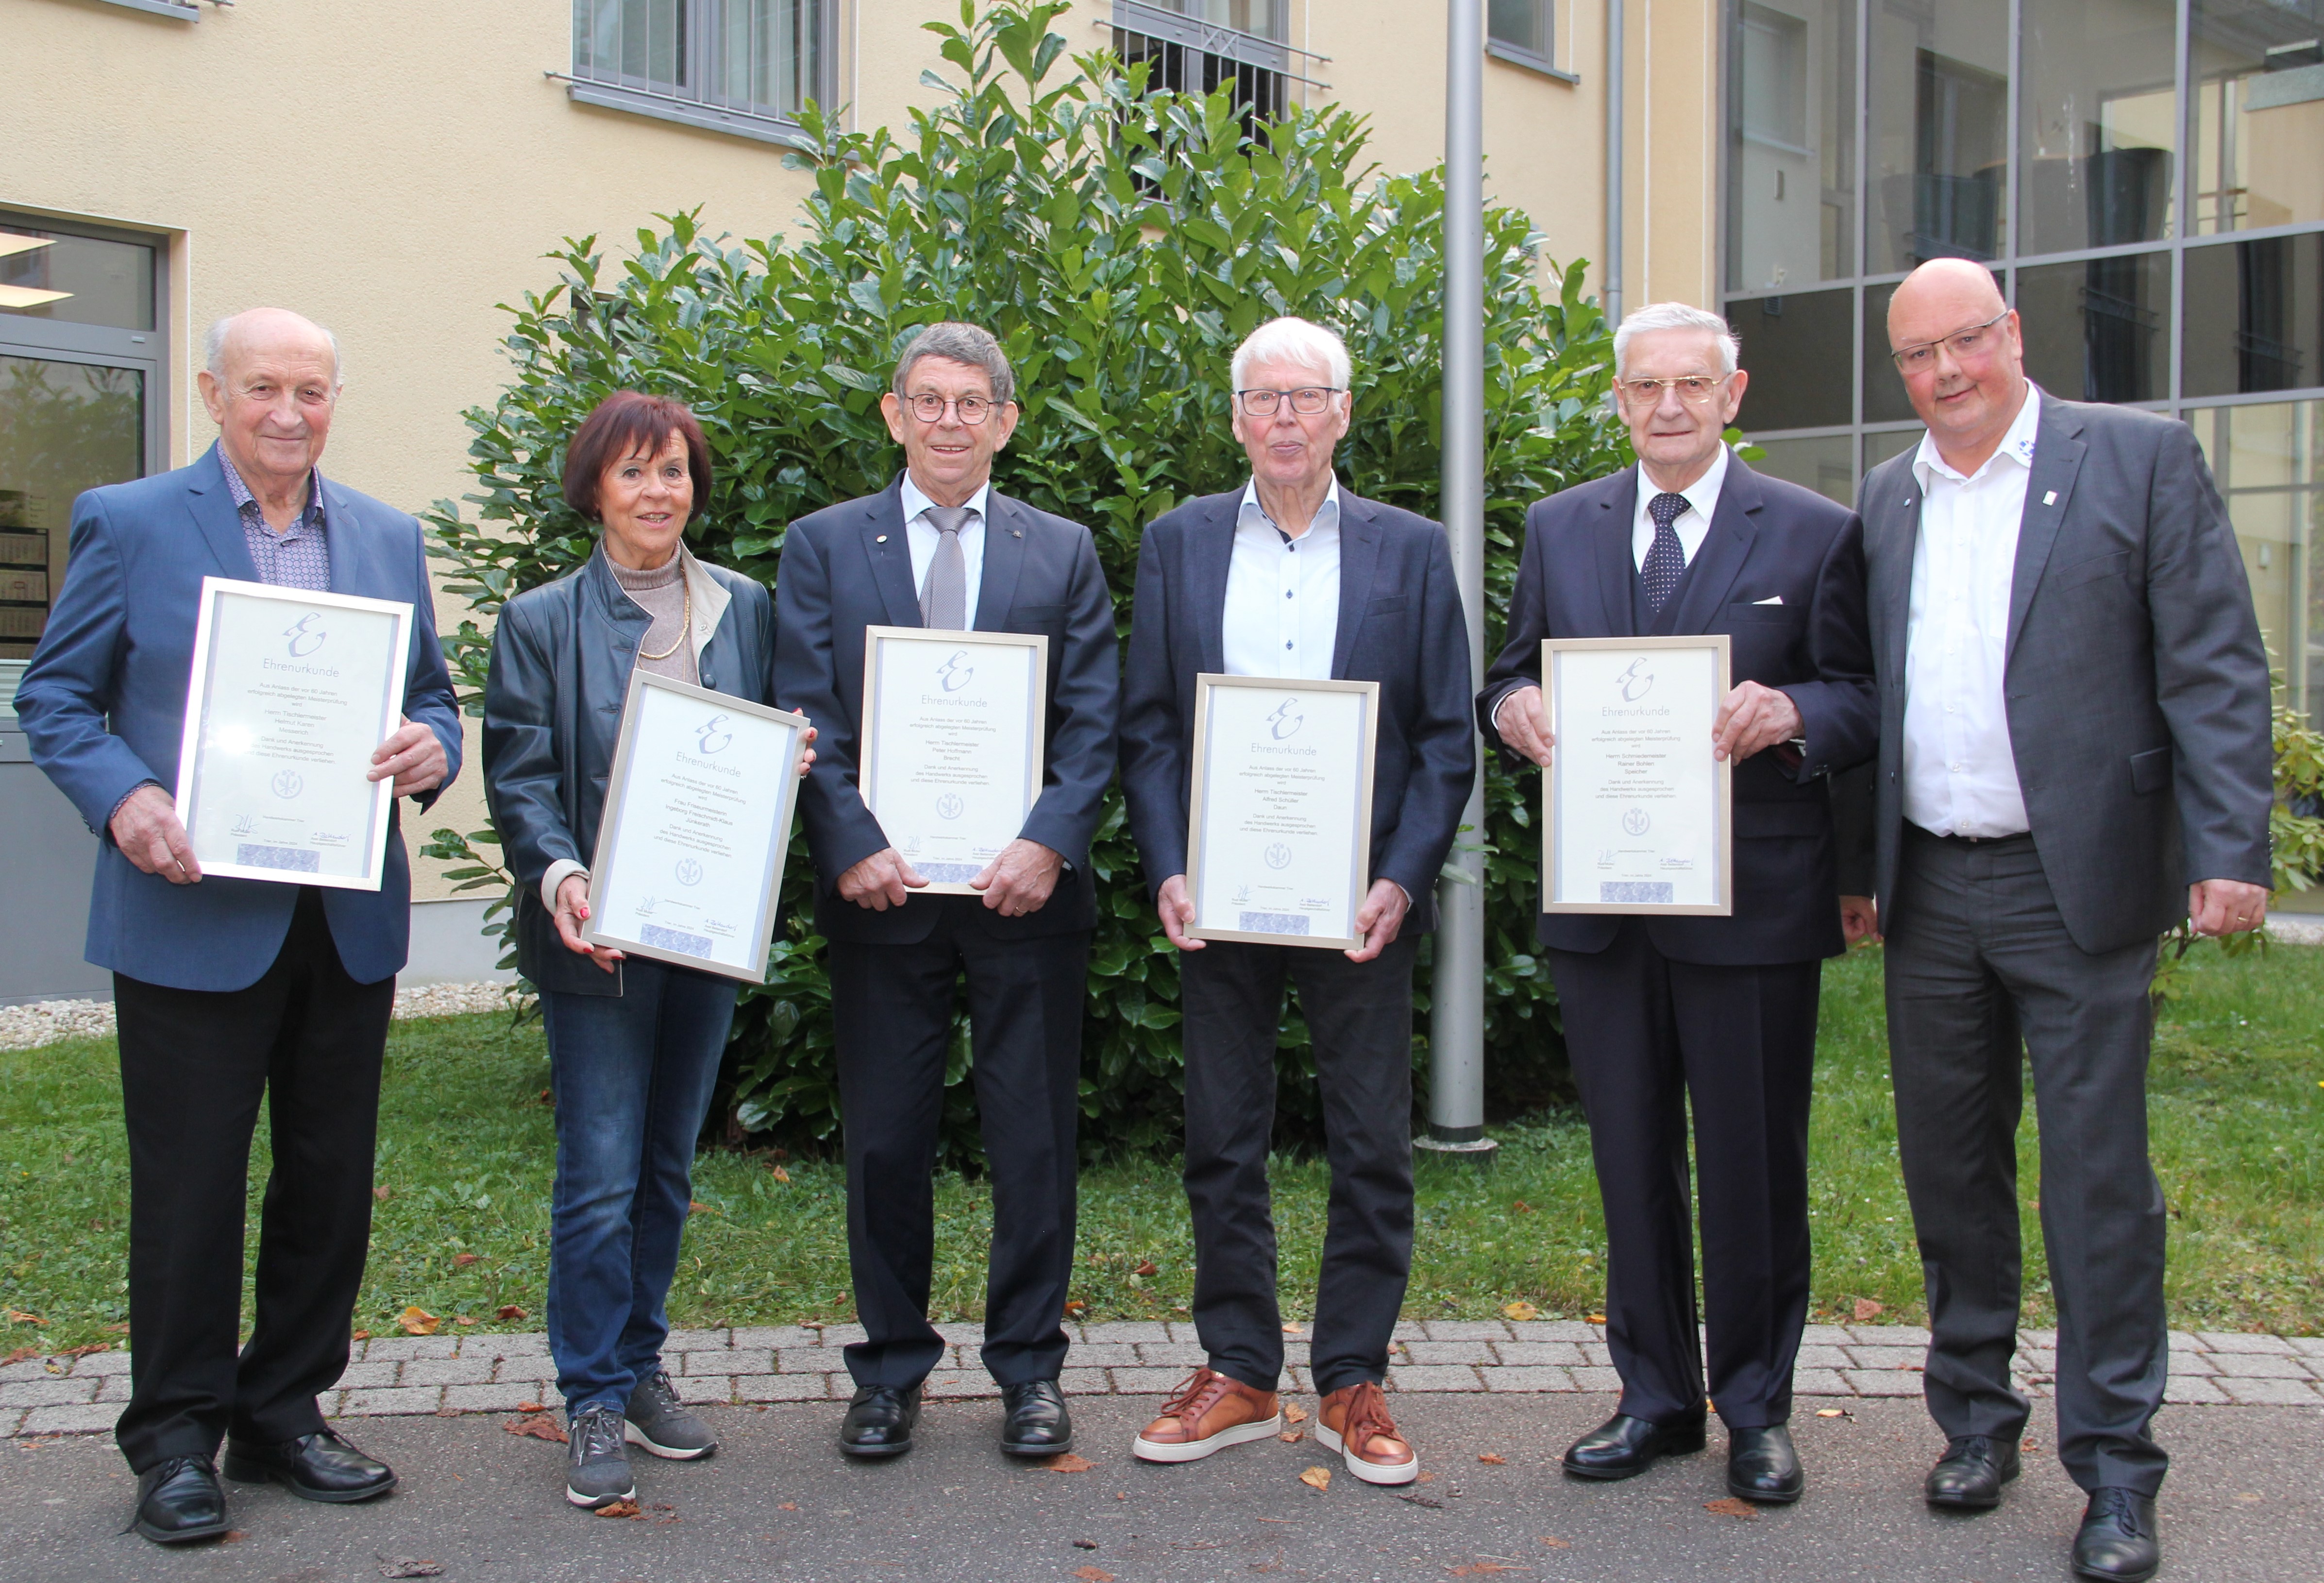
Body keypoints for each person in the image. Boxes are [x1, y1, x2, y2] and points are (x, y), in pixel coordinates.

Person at [1835, 259, 2273, 1583]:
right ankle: (1975, 1420)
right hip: (1931, 885)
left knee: (2095, 1184)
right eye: (1917, 355)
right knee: (1949, 1173)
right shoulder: (1887, 496)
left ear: (2011, 333)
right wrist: (1863, 868)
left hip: (2076, 879)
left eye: (1964, 341)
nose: (1944, 372)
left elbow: (2212, 659)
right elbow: (1874, 692)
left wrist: (2227, 844)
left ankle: (2117, 1466)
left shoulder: (2134, 460)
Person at [16, 308, 460, 1545]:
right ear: (213, 393)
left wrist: (435, 748)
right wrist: (125, 798)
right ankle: (172, 1442)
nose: (289, 411)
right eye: (263, 386)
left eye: (312, 390)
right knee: (191, 1189)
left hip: (340, 918)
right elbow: (56, 695)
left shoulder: (382, 532)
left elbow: (427, 694)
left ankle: (283, 1409)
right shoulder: (132, 518)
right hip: (191, 908)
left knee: (327, 1184)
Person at [1477, 302, 1876, 1505]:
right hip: (1603, 900)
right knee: (1628, 1153)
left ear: (1731, 393)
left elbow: (1862, 693)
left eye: (1689, 385)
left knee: (1751, 1159)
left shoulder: (1815, 532)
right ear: (1617, 398)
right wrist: (1511, 713)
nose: (1665, 405)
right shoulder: (1559, 527)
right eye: (1644, 385)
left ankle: (1753, 1404)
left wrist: (1795, 713)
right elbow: (1510, 669)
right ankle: (1652, 1393)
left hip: (1749, 900)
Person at [1116, 316, 1473, 1486]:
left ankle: (1351, 1376)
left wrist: (1398, 880)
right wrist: (1168, 863)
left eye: (1304, 396)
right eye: (1261, 398)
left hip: (1354, 898)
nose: (1282, 417)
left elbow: (1440, 738)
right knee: (1221, 1132)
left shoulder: (1409, 550)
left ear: (1342, 412)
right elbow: (1151, 728)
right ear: (1234, 418)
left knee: (1371, 1138)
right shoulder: (1173, 545)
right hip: (1216, 895)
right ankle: (1237, 1367)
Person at [773, 321, 1118, 1462]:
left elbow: (1092, 719)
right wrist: (850, 839)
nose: (950, 422)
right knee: (883, 1142)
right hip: (885, 895)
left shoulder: (1060, 550)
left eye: (973, 403)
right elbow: (803, 707)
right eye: (928, 401)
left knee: (1031, 1142)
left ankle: (1028, 1368)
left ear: (1005, 422)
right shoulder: (824, 545)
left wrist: (1048, 842)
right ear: (892, 414)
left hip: (1024, 899)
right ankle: (888, 1371)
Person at [483, 391, 812, 1509]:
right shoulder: (539, 621)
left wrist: (789, 762)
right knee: (598, 1174)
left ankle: (637, 1364)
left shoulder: (743, 607)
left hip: (705, 933)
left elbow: (764, 735)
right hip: (599, 938)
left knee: (667, 1164)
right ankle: (587, 1394)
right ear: (593, 489)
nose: (657, 491)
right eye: (633, 473)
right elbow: (522, 774)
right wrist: (561, 874)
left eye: (672, 471)